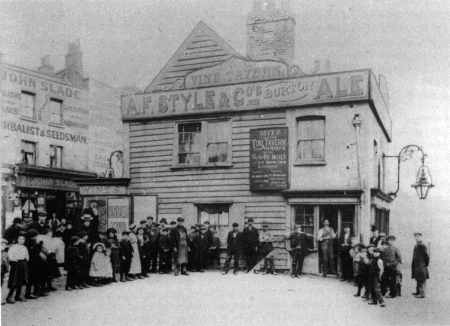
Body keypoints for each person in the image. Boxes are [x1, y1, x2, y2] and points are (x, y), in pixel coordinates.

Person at [6, 233, 29, 304]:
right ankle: (9, 297)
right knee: (14, 281)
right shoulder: (13, 247)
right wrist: (14, 260)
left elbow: (27, 257)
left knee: (22, 280)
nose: (22, 240)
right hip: (16, 264)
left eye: (23, 239)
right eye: (20, 239)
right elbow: (10, 255)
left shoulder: (25, 247)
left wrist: (25, 261)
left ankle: (19, 296)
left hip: (23, 264)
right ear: (17, 240)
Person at [411, 232, 429, 299]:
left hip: (421, 265)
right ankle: (418, 292)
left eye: (418, 236)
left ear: (421, 237)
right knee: (418, 278)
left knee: (421, 279)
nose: (416, 238)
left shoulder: (422, 245)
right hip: (417, 265)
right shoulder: (416, 245)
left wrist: (425, 264)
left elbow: (427, 256)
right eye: (415, 237)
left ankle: (422, 294)